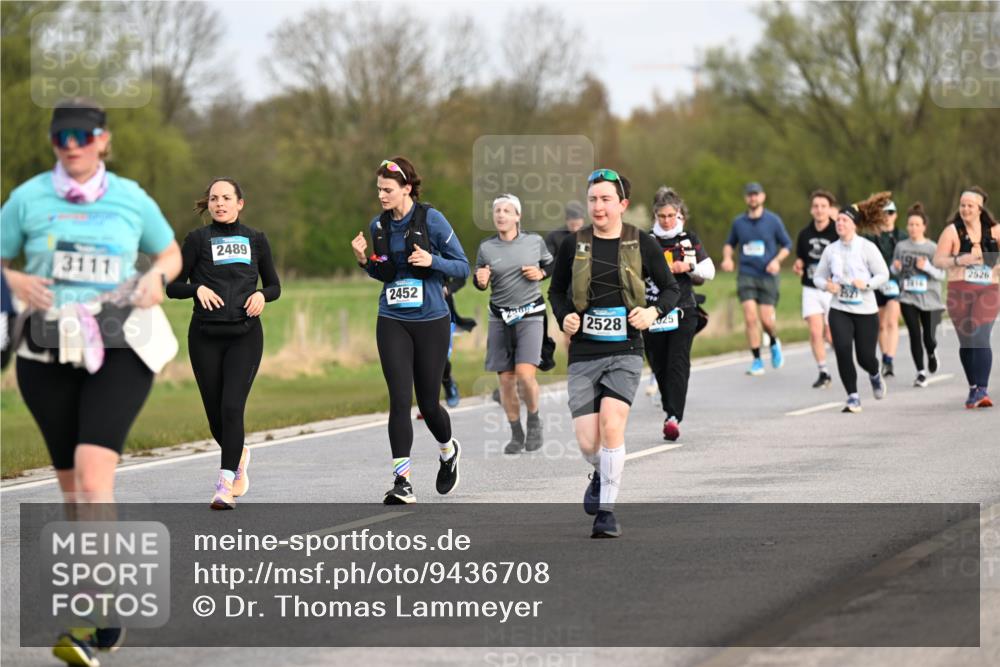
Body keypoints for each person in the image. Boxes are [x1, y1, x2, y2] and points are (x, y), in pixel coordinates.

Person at [0, 98, 181, 666]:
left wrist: (155, 276)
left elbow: (171, 253)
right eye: (62, 138)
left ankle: (87, 606)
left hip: (120, 344)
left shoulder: (131, 198)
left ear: (103, 140)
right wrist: (15, 278)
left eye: (82, 135)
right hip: (46, 351)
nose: (71, 145)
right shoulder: (28, 198)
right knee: (73, 490)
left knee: (93, 471)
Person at [548, 169, 680, 538]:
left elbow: (670, 290)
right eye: (593, 199)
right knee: (589, 442)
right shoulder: (574, 245)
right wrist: (565, 318)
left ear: (622, 204)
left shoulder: (643, 244)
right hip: (584, 352)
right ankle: (599, 472)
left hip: (626, 349)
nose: (598, 206)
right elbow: (556, 292)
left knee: (611, 426)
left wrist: (653, 312)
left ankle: (606, 510)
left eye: (606, 199)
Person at [351, 157, 469, 503]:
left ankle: (448, 451)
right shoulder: (378, 226)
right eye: (378, 190)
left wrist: (433, 262)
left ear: (406, 189)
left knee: (429, 404)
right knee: (400, 399)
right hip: (392, 318)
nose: (382, 196)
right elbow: (384, 272)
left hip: (431, 320)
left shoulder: (432, 219)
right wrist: (363, 262)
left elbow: (462, 265)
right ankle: (402, 481)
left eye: (387, 190)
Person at [166, 178, 281, 509]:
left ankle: (224, 484)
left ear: (240, 203)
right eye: (214, 198)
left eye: (226, 198)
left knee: (232, 408)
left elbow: (274, 285)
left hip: (244, 335)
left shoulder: (256, 240)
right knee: (217, 416)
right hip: (204, 336)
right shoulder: (197, 240)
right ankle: (239, 453)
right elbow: (173, 286)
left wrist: (261, 295)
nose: (219, 203)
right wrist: (195, 289)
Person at [473, 194, 553, 454]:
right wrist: (480, 280)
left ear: (518, 216)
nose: (501, 215)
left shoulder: (534, 242)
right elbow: (479, 279)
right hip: (500, 317)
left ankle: (534, 419)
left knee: (525, 375)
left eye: (507, 211)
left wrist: (540, 273)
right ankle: (516, 433)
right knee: (506, 380)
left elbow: (551, 265)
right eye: (497, 211)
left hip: (530, 313)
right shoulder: (486, 248)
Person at [642, 187, 715, 442]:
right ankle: (669, 408)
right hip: (652, 311)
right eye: (662, 216)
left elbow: (709, 270)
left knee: (678, 362)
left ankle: (674, 418)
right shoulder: (646, 240)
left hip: (683, 309)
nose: (666, 221)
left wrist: (689, 266)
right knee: (659, 365)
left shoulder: (687, 239)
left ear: (679, 213)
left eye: (671, 215)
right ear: (655, 215)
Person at [812, 192, 892, 413]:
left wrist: (865, 284)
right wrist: (827, 286)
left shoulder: (867, 248)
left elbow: (883, 274)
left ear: (854, 225)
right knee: (843, 350)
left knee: (866, 357)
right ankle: (853, 396)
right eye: (837, 220)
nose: (839, 223)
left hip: (866, 310)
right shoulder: (831, 250)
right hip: (839, 308)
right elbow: (818, 277)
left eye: (844, 220)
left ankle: (875, 375)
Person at [932, 186, 1000, 408]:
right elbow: (938, 260)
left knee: (980, 336)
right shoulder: (952, 232)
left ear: (979, 208)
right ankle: (973, 387)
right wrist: (958, 260)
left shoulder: (995, 231)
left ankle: (982, 390)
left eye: (970, 205)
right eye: (962, 205)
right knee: (967, 342)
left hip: (988, 290)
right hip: (959, 290)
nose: (965, 209)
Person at [720, 182, 793, 375]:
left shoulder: (773, 221)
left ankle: (774, 341)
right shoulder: (739, 223)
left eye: (756, 195)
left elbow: (787, 245)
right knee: (750, 318)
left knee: (766, 320)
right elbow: (729, 244)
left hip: (768, 275)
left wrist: (777, 261)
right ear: (746, 198)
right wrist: (728, 258)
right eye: (750, 195)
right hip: (746, 274)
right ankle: (757, 360)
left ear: (763, 197)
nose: (753, 198)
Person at [892, 202, 945, 388]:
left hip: (929, 297)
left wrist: (927, 267)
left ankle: (931, 352)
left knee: (928, 338)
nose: (913, 228)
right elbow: (894, 269)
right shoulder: (901, 246)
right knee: (914, 333)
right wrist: (895, 268)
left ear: (924, 227)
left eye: (917, 224)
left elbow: (941, 274)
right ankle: (920, 372)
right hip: (908, 296)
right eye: (910, 224)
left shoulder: (932, 248)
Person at [793, 190, 839, 388]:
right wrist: (798, 265)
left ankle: (844, 358)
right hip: (811, 288)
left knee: (831, 335)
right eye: (816, 206)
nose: (819, 210)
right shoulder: (804, 234)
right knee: (814, 332)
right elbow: (801, 258)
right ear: (812, 210)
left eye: (823, 206)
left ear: (830, 210)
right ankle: (823, 372)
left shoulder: (837, 232)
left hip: (831, 290)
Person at [864, 200, 907, 377]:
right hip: (877, 284)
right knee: (881, 325)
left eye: (890, 213)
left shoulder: (902, 236)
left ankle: (889, 360)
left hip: (896, 284)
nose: (887, 217)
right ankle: (885, 358)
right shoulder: (870, 237)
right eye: (883, 213)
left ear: (896, 215)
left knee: (891, 321)